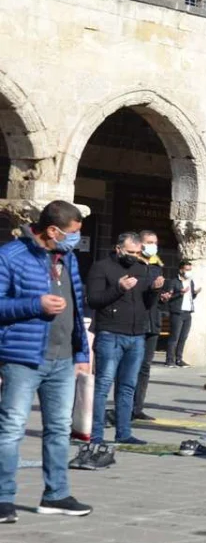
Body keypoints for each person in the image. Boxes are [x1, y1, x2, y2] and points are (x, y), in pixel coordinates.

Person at [0, 201, 94, 521]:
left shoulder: (68, 259)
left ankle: (56, 494)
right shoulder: (11, 256)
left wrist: (82, 353)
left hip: (64, 358)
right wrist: (34, 303)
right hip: (23, 358)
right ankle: (2, 498)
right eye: (72, 233)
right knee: (12, 428)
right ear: (52, 230)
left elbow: (77, 309)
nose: (75, 240)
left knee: (59, 428)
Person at [87, 232, 163, 447]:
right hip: (110, 333)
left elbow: (146, 303)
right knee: (103, 385)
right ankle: (96, 434)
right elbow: (94, 300)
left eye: (137, 252)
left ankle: (123, 432)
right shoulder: (101, 267)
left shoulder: (142, 268)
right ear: (118, 249)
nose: (134, 256)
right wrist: (118, 288)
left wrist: (155, 290)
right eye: (130, 252)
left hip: (136, 335)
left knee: (128, 386)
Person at [132, 230, 171, 423]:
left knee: (145, 367)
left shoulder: (157, 267)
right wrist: (151, 287)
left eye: (155, 242)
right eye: (149, 242)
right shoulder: (132, 265)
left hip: (152, 322)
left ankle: (138, 407)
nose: (153, 245)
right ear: (140, 244)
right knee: (130, 366)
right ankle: (126, 406)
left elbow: (157, 297)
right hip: (135, 321)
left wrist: (163, 296)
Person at [164, 259, 200, 368]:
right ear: (181, 270)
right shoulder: (174, 282)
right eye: (186, 269)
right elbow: (169, 297)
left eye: (190, 269)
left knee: (183, 337)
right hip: (177, 312)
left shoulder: (191, 282)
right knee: (174, 337)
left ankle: (179, 359)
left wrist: (195, 293)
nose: (189, 272)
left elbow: (191, 297)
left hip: (188, 312)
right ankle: (169, 360)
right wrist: (180, 293)